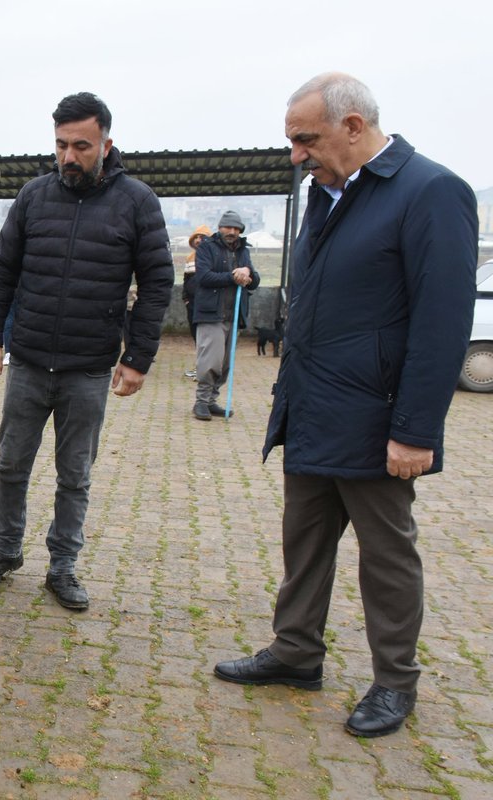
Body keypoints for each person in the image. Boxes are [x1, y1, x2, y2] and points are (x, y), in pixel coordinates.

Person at [213, 72, 478, 739]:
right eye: (293, 141)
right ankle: (296, 651)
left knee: (386, 556)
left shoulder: (430, 192)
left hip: (376, 419)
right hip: (311, 410)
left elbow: (442, 323)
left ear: (354, 126)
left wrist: (416, 430)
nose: (296, 154)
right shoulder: (325, 196)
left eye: (307, 139)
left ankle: (395, 682)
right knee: (304, 543)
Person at [0, 92, 173, 612]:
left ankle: (63, 566)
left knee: (74, 475)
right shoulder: (34, 196)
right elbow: (2, 270)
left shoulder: (137, 202)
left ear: (107, 143)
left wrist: (138, 356)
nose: (69, 156)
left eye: (81, 145)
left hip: (89, 369)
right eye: (61, 145)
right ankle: (7, 550)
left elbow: (156, 282)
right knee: (11, 464)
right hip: (30, 362)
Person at [190, 211, 259, 420]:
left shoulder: (243, 251)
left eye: (236, 229)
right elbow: (204, 277)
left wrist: (248, 273)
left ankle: (212, 401)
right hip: (211, 314)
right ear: (220, 228)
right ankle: (201, 402)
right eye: (228, 227)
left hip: (233, 315)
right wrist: (233, 276)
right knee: (211, 360)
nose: (232, 232)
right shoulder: (206, 248)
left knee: (225, 363)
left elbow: (254, 281)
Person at [182, 224, 211, 378]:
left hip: (206, 304)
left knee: (206, 337)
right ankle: (199, 366)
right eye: (196, 238)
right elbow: (186, 279)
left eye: (202, 237)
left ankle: (205, 369)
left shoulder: (212, 257)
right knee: (196, 335)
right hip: (192, 304)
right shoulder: (190, 258)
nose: (199, 240)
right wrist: (185, 298)